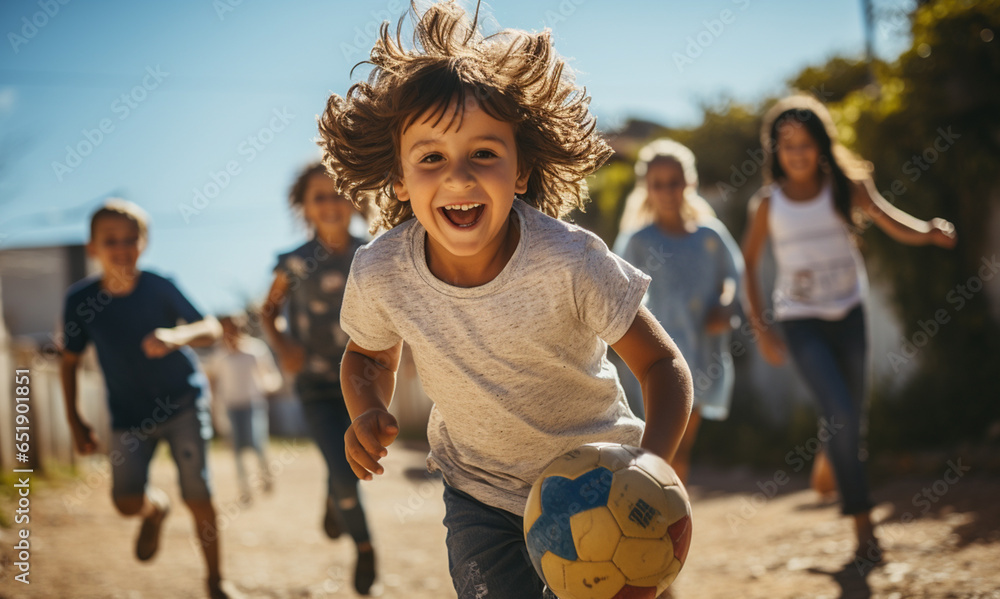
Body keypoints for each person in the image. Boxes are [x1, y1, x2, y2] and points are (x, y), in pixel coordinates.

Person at [317, 3, 693, 597]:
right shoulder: (382, 271)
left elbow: (662, 365)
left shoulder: (570, 260)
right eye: (431, 157)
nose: (459, 176)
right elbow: (367, 358)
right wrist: (365, 409)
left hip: (601, 483)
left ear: (521, 170)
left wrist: (650, 469)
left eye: (484, 154)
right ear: (398, 177)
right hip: (480, 493)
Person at [741, 94, 956, 566]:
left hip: (849, 311)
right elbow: (750, 264)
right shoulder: (767, 205)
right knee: (840, 411)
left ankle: (831, 450)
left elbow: (888, 220)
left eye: (806, 143)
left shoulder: (847, 187)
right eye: (787, 145)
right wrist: (762, 330)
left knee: (849, 419)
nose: (797, 153)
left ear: (822, 145)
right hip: (800, 320)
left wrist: (928, 231)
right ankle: (863, 527)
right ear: (775, 150)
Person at [59, 200, 234, 599]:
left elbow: (209, 328)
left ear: (144, 242)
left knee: (198, 493)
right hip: (127, 417)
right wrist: (74, 420)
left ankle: (216, 582)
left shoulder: (159, 286)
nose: (121, 248)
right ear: (92, 248)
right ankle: (155, 510)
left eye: (130, 239)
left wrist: (177, 336)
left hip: (183, 404)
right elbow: (69, 363)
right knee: (125, 501)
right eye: (110, 241)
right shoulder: (80, 301)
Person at [261, 162, 377, 595]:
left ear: (355, 200)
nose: (331, 204)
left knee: (350, 463)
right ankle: (365, 548)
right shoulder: (293, 263)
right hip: (315, 384)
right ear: (304, 207)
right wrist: (283, 345)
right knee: (344, 466)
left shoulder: (373, 255)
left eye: (339, 194)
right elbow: (267, 311)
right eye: (319, 197)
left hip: (366, 381)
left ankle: (335, 497)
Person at [616, 138, 744, 485]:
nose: (668, 191)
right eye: (658, 184)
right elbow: (618, 292)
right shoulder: (637, 241)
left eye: (675, 182)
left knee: (681, 447)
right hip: (657, 355)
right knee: (659, 447)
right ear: (647, 188)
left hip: (702, 354)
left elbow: (731, 274)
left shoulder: (710, 236)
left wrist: (725, 302)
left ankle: (668, 514)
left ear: (689, 183)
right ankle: (658, 513)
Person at [206, 313, 281, 505]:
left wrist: (269, 387)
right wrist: (215, 409)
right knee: (237, 451)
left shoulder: (255, 349)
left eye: (234, 327)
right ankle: (244, 489)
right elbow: (214, 383)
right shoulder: (218, 355)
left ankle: (266, 480)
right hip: (231, 406)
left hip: (253, 404)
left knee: (258, 445)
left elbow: (270, 375)